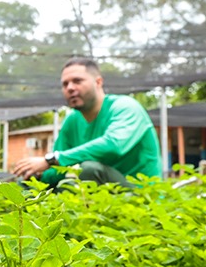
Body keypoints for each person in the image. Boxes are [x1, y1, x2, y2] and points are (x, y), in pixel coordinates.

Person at [12, 57, 161, 187]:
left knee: (89, 169)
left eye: (77, 81)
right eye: (65, 84)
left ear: (98, 82)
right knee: (29, 185)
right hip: (98, 194)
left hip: (140, 195)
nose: (70, 88)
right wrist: (37, 176)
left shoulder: (125, 107)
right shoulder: (72, 120)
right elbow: (59, 170)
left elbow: (113, 145)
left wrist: (53, 159)